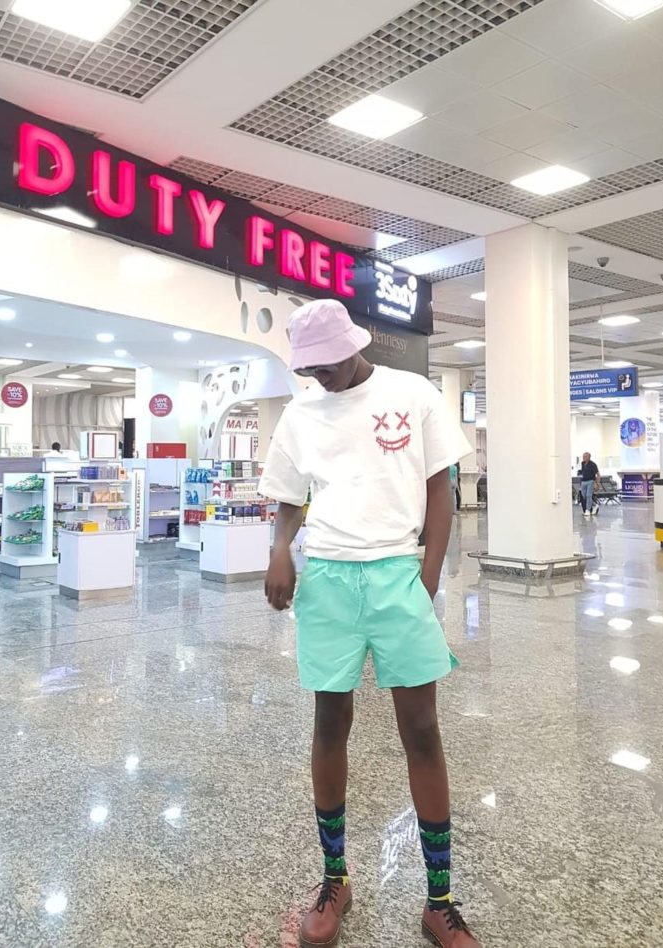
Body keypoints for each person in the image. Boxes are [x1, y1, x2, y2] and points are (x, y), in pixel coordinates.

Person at [260, 299, 480, 948]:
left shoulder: (413, 394)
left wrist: (427, 578)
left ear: (354, 345)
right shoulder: (301, 414)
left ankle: (439, 901)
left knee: (422, 728)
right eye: (308, 367)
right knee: (330, 723)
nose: (318, 375)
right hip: (328, 580)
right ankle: (335, 880)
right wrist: (279, 551)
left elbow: (439, 491)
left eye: (326, 364)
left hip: (397, 573)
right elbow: (288, 498)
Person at [579, 452, 601, 517]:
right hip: (583, 481)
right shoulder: (582, 463)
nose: (584, 458)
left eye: (585, 456)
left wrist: (597, 483)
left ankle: (588, 510)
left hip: (591, 481)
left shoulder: (593, 464)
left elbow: (598, 474)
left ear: (589, 457)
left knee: (588, 495)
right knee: (584, 496)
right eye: (583, 456)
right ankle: (594, 505)